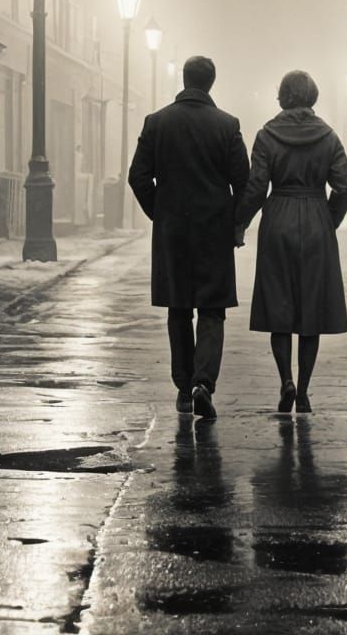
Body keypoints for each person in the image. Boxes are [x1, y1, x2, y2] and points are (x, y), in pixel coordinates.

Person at [128, 55, 250, 421]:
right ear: (211, 83)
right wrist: (234, 222)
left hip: (173, 230)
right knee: (212, 310)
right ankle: (203, 382)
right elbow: (243, 181)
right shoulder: (227, 126)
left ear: (184, 80)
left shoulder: (157, 122)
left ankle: (183, 387)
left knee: (178, 308)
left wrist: (159, 211)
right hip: (213, 230)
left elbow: (138, 176)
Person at [235, 70, 347, 414]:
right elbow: (345, 186)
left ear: (283, 97)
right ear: (313, 96)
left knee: (279, 306)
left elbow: (256, 187)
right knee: (311, 309)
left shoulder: (267, 135)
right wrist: (328, 220)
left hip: (278, 219)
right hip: (316, 215)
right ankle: (303, 391)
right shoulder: (328, 137)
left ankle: (285, 379)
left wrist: (240, 222)